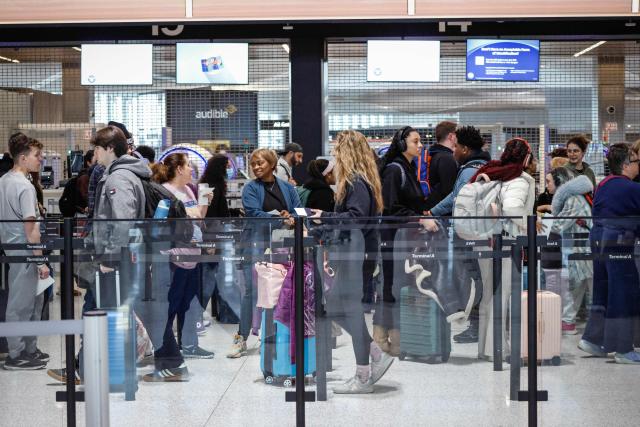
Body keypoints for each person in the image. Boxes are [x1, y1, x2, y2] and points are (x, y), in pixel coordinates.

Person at [310, 130, 393, 394]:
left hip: (355, 254)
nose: (334, 155)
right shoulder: (362, 180)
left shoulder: (356, 181)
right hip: (355, 252)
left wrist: (324, 216)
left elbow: (355, 218)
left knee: (349, 309)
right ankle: (374, 353)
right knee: (336, 305)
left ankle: (363, 373)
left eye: (337, 150)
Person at [228, 148, 300, 358]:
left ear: (271, 164)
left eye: (261, 163)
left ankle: (274, 336)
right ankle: (241, 337)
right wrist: (280, 217)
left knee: (280, 290)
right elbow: (253, 213)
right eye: (254, 164)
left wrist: (290, 216)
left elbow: (298, 209)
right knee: (252, 291)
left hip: (282, 245)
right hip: (256, 245)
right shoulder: (250, 188)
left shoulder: (287, 188)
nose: (257, 167)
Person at [471, 137, 536, 360]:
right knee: (502, 294)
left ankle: (486, 347)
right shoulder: (520, 179)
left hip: (482, 238)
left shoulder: (492, 170)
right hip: (505, 242)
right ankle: (497, 348)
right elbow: (512, 207)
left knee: (489, 293)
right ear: (526, 157)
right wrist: (529, 223)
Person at [426, 126, 491, 343]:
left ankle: (475, 326)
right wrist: (433, 212)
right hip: (482, 232)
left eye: (455, 148)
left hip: (468, 234)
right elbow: (456, 196)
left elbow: (458, 199)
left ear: (464, 148)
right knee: (477, 277)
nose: (453, 151)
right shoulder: (483, 166)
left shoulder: (467, 171)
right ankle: (477, 325)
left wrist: (433, 212)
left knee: (471, 279)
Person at [580, 143, 640, 364]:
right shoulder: (631, 188)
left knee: (603, 290)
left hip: (598, 241)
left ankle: (593, 339)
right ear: (625, 165)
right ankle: (623, 348)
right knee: (623, 292)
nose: (638, 166)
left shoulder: (604, 185)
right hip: (619, 243)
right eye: (635, 162)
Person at [151, 153, 215, 361]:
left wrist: (204, 202)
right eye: (188, 166)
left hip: (193, 254)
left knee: (189, 302)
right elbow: (171, 220)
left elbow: (199, 215)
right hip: (175, 256)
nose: (191, 170)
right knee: (172, 303)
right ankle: (166, 347)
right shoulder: (166, 192)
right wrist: (192, 214)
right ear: (178, 168)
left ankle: (189, 344)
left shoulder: (188, 190)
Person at [0, 133, 50, 370]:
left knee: (29, 301)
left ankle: (28, 349)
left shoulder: (4, 181)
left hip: (13, 249)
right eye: (36, 156)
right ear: (22, 158)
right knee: (21, 304)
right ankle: (16, 354)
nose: (40, 160)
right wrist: (40, 262)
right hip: (26, 251)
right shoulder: (25, 187)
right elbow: (31, 230)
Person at [543, 167, 593, 335]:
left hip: (583, 248)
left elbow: (559, 225)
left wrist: (540, 221)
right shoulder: (578, 197)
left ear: (560, 183)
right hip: (583, 247)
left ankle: (573, 322)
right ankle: (571, 321)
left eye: (549, 181)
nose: (547, 186)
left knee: (579, 285)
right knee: (581, 284)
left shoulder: (573, 199)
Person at [424, 121, 458, 211]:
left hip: (432, 208)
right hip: (441, 214)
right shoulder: (447, 158)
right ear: (451, 136)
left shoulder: (433, 154)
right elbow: (449, 192)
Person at [201, 154, 231, 218]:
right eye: (227, 167)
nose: (229, 169)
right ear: (220, 167)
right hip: (213, 224)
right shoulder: (208, 187)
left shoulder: (218, 183)